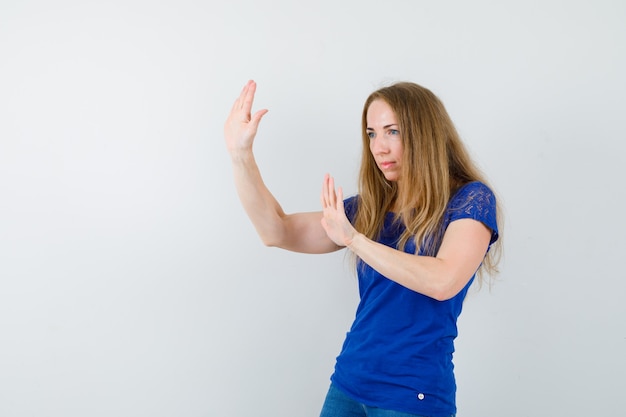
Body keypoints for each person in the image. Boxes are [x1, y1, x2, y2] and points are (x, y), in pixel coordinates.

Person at [224, 80, 501, 417]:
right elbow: (276, 230)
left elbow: (443, 281)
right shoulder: (369, 209)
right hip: (348, 386)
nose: (378, 147)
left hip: (413, 395)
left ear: (424, 133)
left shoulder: (470, 199)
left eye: (392, 132)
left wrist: (354, 239)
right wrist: (241, 156)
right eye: (371, 134)